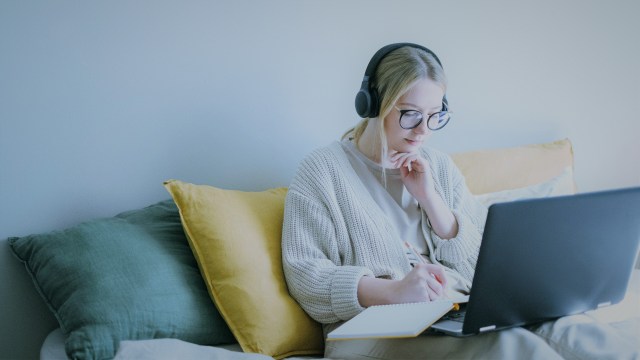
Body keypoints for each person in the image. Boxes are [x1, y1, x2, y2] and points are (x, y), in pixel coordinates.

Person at [281, 43, 639, 359]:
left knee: (575, 332)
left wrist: (431, 200)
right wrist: (395, 291)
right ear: (373, 105)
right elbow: (307, 277)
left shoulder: (437, 165)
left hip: (453, 311)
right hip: (369, 331)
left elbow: (480, 263)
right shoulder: (322, 172)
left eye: (435, 115)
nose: (423, 130)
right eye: (410, 114)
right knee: (515, 347)